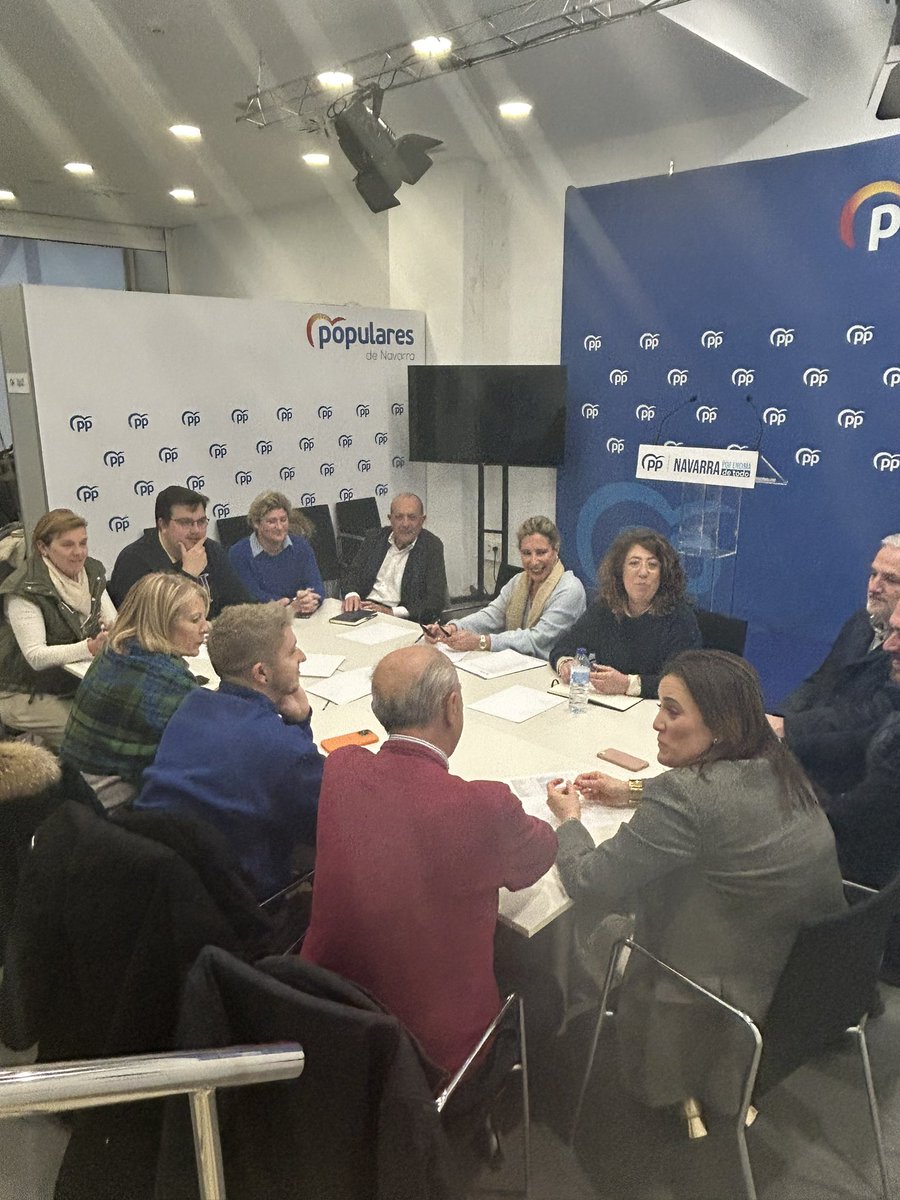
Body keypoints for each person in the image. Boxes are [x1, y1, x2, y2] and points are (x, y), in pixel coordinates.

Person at [547, 649, 845, 1120]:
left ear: (721, 726)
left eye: (672, 710)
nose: (656, 724)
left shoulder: (688, 797)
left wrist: (569, 822)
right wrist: (636, 791)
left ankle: (556, 1030)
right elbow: (716, 805)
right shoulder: (775, 763)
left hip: (720, 993)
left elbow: (590, 880)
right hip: (803, 983)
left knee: (582, 919)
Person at [302, 645, 557, 1075]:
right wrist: (566, 817)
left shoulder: (341, 767)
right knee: (542, 980)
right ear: (452, 706)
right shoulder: (483, 806)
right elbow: (540, 853)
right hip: (430, 1061)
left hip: (328, 1019)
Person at [135, 602, 322, 900]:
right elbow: (324, 825)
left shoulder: (192, 704)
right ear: (261, 673)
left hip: (161, 878)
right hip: (240, 900)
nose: (302, 657)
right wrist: (301, 723)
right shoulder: (281, 749)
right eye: (291, 651)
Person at [60, 573, 210, 807]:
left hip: (74, 788)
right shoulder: (169, 681)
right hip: (108, 807)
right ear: (163, 621)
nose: (205, 627)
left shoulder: (116, 650)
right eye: (195, 620)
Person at [768, 535, 900, 790]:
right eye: (873, 574)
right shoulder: (861, 622)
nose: (874, 586)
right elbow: (820, 681)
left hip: (848, 774)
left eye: (891, 579)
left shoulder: (895, 654)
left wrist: (789, 728)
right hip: (806, 752)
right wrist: (775, 719)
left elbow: (867, 717)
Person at [0, 509, 116, 749]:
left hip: (73, 684)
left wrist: (114, 631)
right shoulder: (23, 589)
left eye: (83, 543)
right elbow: (36, 656)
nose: (79, 552)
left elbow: (114, 622)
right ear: (43, 548)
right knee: (85, 738)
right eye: (67, 545)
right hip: (22, 693)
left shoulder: (92, 572)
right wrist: (89, 647)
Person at [550, 527, 700, 698]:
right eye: (634, 563)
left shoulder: (680, 618)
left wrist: (627, 684)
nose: (643, 572)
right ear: (620, 572)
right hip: (608, 708)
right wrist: (566, 663)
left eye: (652, 565)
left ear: (663, 574)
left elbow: (682, 682)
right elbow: (563, 646)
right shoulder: (606, 608)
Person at [424, 515, 586, 661]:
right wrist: (452, 628)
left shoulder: (570, 589)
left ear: (556, 550)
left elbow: (537, 640)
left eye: (541, 552)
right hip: (517, 664)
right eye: (526, 553)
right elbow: (492, 615)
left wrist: (482, 641)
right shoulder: (518, 581)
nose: (533, 561)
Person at [109, 485, 252, 618]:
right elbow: (148, 625)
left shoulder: (211, 550)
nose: (196, 530)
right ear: (163, 525)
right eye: (186, 523)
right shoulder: (133, 561)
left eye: (201, 522)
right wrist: (188, 574)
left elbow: (242, 605)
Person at [341, 493, 447, 624]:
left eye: (412, 517)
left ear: (422, 520)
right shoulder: (374, 538)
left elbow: (435, 601)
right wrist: (352, 594)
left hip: (401, 618)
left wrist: (391, 612)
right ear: (390, 519)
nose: (405, 524)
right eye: (399, 517)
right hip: (364, 611)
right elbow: (352, 574)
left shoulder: (431, 546)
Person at [228, 490, 324, 613]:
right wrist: (292, 604)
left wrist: (311, 600)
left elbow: (316, 585)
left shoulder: (301, 545)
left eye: (283, 520)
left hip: (302, 615)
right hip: (262, 620)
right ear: (256, 523)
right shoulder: (238, 554)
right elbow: (252, 597)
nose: (279, 527)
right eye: (271, 522)